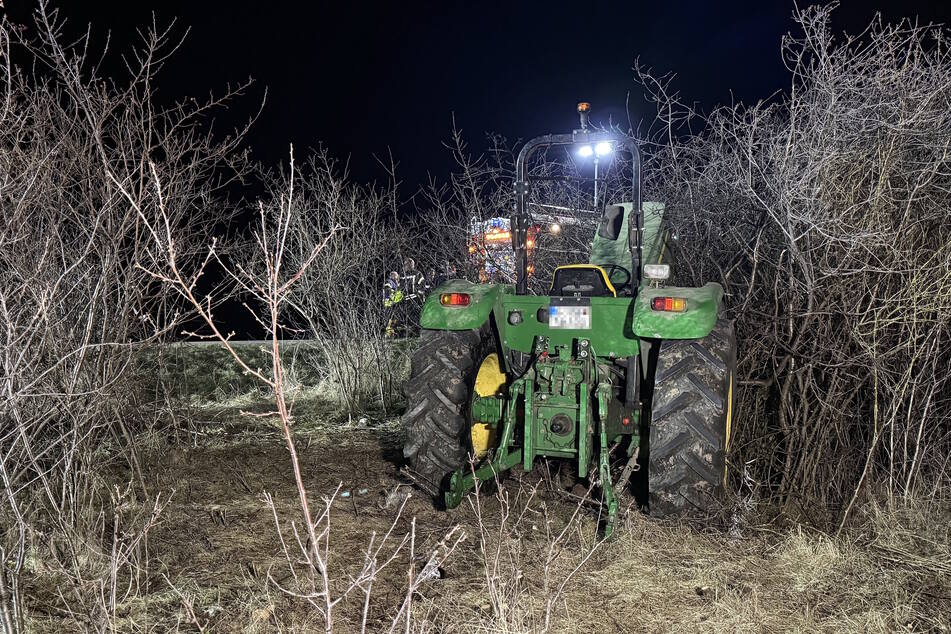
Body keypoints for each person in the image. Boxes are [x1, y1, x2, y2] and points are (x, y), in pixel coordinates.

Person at [383, 271, 403, 337]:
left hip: (395, 304)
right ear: (393, 275)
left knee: (394, 319)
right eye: (396, 275)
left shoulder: (396, 283)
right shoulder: (389, 281)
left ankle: (393, 333)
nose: (397, 277)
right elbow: (387, 287)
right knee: (389, 320)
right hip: (389, 304)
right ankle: (388, 334)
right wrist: (391, 294)